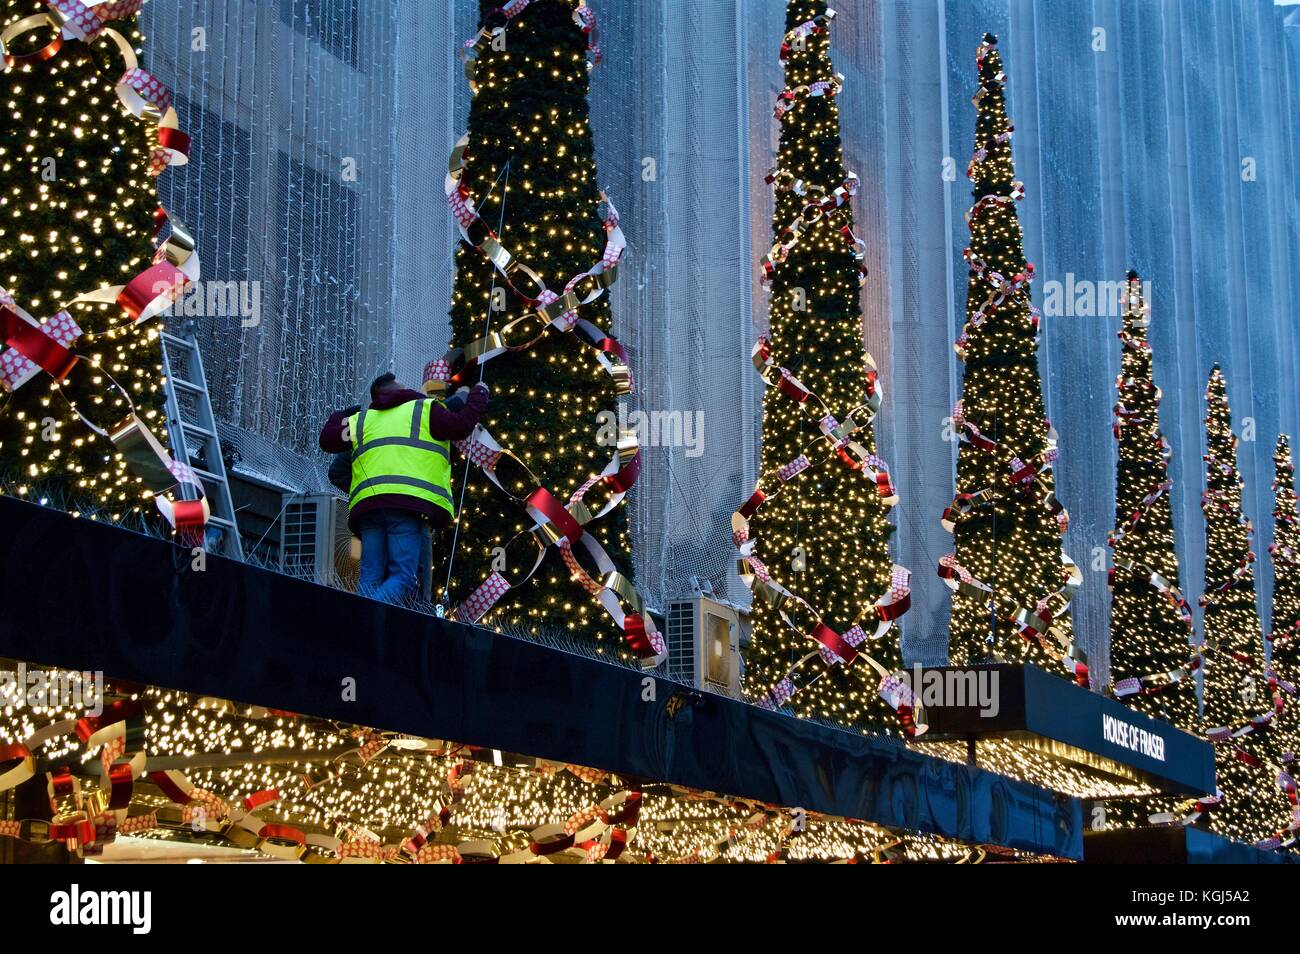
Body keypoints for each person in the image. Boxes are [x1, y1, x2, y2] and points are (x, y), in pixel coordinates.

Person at [319, 372, 488, 605]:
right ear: (397, 390)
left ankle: (359, 622)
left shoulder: (364, 420)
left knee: (370, 577)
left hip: (369, 509)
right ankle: (359, 617)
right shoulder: (423, 410)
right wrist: (479, 394)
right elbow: (460, 426)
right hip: (406, 506)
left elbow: (328, 441)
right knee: (404, 577)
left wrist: (343, 414)